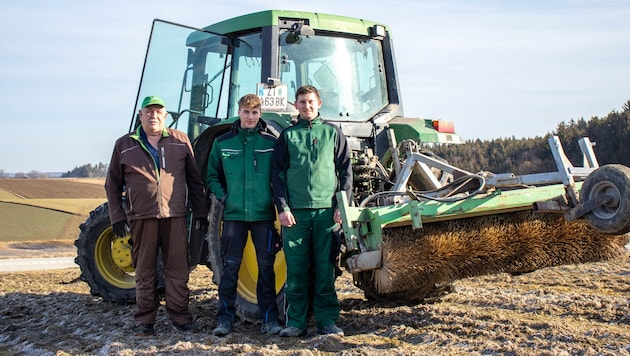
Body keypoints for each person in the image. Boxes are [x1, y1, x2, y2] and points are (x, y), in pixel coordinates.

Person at [105, 95, 208, 336]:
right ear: (140, 116)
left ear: (165, 116)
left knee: (177, 269)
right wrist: (117, 217)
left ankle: (180, 317)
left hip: (175, 215)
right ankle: (144, 321)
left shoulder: (180, 141)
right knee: (145, 270)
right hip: (141, 216)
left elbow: (194, 181)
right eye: (148, 112)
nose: (153, 116)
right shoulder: (125, 144)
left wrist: (201, 211)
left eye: (158, 112)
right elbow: (112, 185)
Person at [271, 85, 352, 337]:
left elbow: (346, 171)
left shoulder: (333, 132)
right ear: (295, 106)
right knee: (296, 270)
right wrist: (282, 208)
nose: (306, 106)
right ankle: (295, 322)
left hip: (327, 213)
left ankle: (327, 321)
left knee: (325, 269)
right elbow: (277, 174)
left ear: (319, 103)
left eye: (310, 102)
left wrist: (342, 205)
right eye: (302, 102)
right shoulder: (288, 136)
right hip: (296, 215)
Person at [206, 94, 282, 336]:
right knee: (230, 268)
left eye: (255, 112)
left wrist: (273, 200)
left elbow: (280, 176)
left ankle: (269, 319)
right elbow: (212, 176)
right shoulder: (223, 142)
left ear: (260, 114)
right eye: (246, 112)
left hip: (263, 217)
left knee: (266, 269)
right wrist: (224, 197)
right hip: (234, 217)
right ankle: (225, 319)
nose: (250, 116)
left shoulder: (270, 143)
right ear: (239, 112)